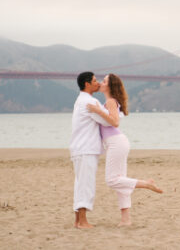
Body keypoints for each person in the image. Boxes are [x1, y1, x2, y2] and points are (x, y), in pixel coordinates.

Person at [87, 73, 163, 227]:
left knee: (112, 180)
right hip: (117, 143)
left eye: (104, 81)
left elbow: (115, 122)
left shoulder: (110, 102)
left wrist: (97, 110)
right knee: (121, 182)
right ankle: (126, 220)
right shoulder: (110, 101)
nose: (101, 82)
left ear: (110, 85)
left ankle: (147, 184)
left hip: (116, 143)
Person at [69, 71, 112, 229]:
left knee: (80, 184)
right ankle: (82, 221)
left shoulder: (80, 100)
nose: (98, 83)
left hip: (79, 148)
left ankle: (77, 220)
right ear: (87, 84)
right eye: (94, 81)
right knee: (86, 185)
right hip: (86, 148)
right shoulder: (90, 101)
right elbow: (107, 121)